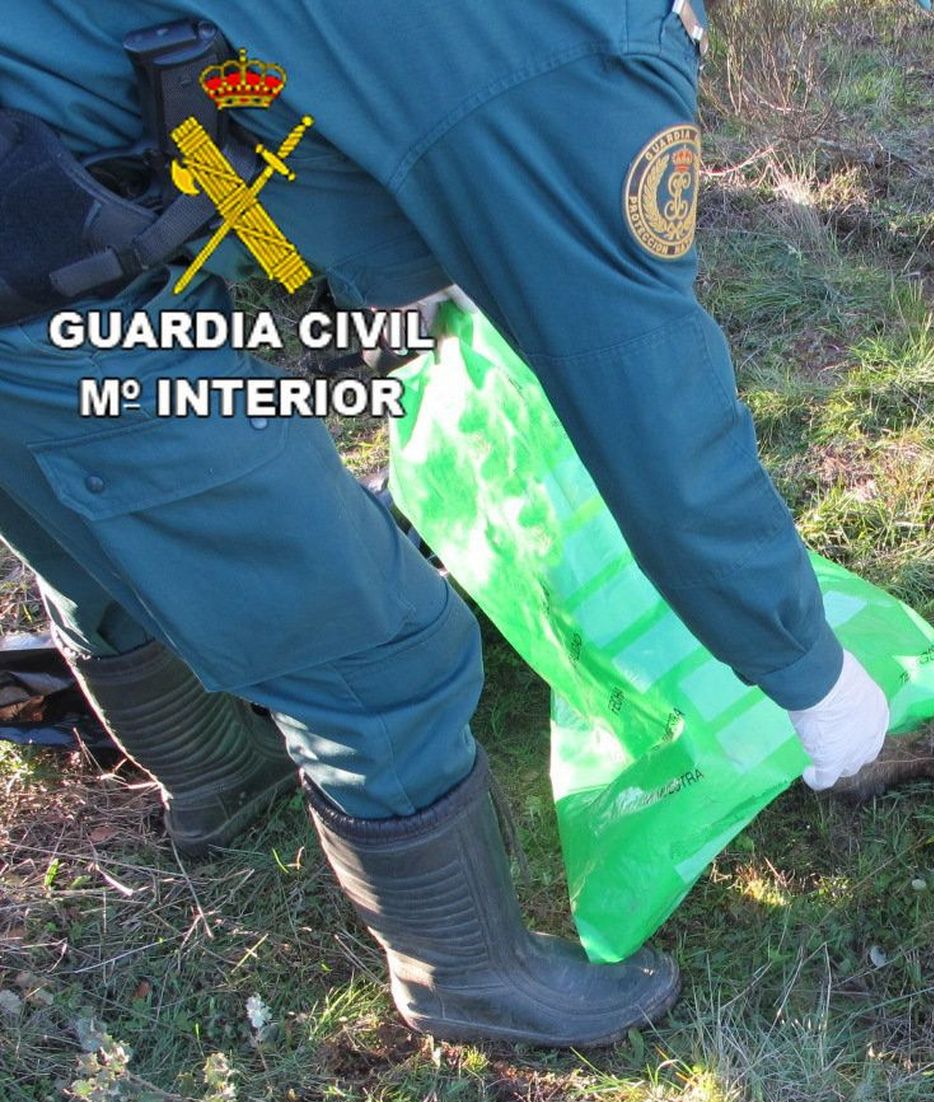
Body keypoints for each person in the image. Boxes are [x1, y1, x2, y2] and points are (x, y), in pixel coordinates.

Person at [0, 1, 889, 1047]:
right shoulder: (578, 45)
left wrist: (360, 274)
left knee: (85, 526)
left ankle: (218, 786)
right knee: (377, 646)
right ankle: (463, 975)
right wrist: (808, 671)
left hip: (46, 203)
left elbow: (226, 89)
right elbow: (655, 408)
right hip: (53, 287)